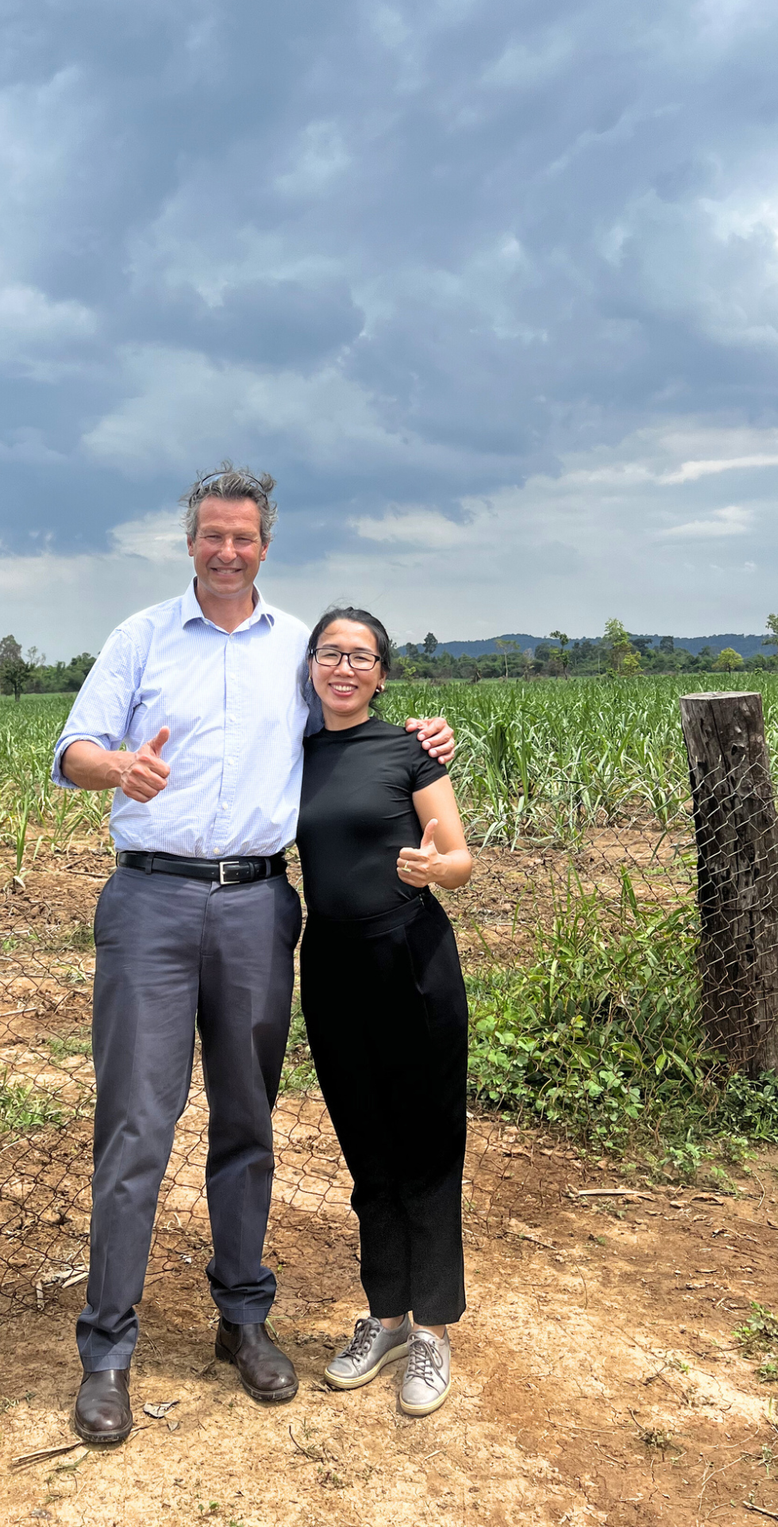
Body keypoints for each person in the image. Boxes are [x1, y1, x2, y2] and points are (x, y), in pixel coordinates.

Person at [50, 464, 455, 1445]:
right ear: (191, 541)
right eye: (211, 536)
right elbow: (72, 752)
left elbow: (354, 728)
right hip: (148, 895)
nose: (227, 550)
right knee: (137, 1128)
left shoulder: (293, 653)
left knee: (246, 1120)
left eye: (244, 537)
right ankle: (107, 1349)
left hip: (257, 905)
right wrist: (119, 766)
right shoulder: (139, 638)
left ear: (264, 546)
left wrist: (423, 740)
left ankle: (243, 1318)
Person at [294, 607, 472, 1418]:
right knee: (367, 1148)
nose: (344, 667)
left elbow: (460, 855)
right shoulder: (289, 751)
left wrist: (440, 865)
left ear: (382, 674)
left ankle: (432, 1329)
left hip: (411, 957)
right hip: (330, 964)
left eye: (360, 657)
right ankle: (387, 1316)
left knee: (428, 1144)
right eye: (331, 653)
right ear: (310, 664)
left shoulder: (409, 749)